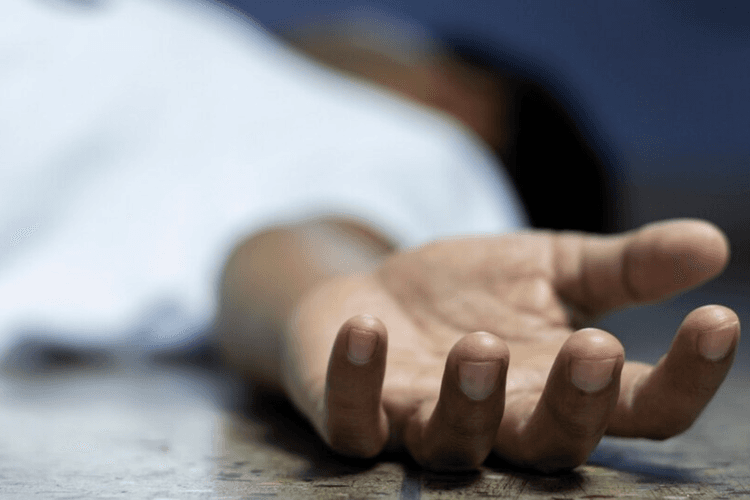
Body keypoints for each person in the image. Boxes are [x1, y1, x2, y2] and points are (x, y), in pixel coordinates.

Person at [1, 0, 740, 474]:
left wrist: (345, 298)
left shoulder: (426, 147)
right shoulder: (234, 68)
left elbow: (329, 239)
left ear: (461, 96)